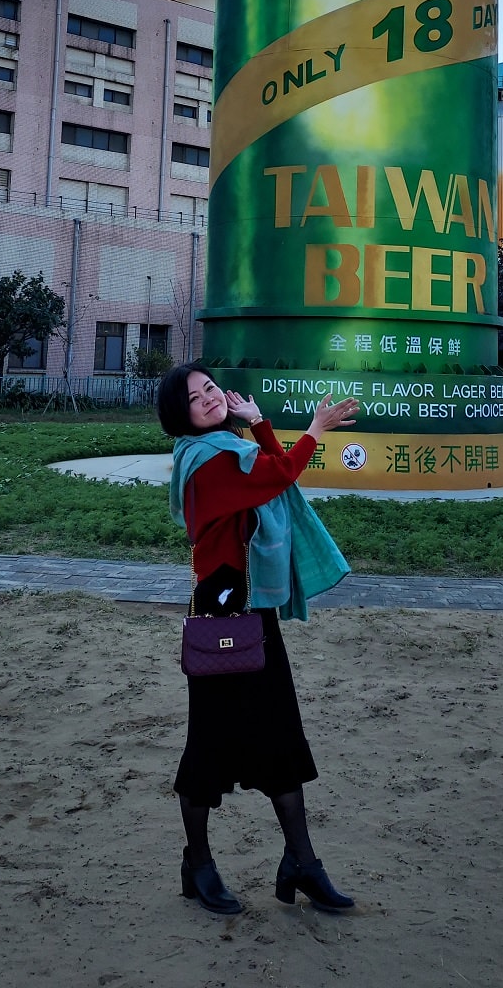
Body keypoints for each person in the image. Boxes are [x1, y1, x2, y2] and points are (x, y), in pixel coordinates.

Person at [158, 362, 359, 917]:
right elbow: (280, 474)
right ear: (182, 415)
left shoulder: (228, 448)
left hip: (253, 610)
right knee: (210, 742)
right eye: (196, 398)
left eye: (211, 389)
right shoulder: (208, 462)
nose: (210, 398)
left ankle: (301, 862)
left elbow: (271, 469)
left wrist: (258, 420)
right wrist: (313, 429)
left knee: (280, 734)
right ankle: (197, 862)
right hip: (222, 614)